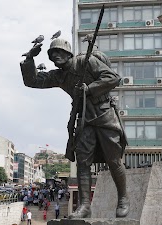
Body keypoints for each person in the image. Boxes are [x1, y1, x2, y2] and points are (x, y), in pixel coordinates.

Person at [20, 38, 129, 218]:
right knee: (83, 162)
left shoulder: (85, 61)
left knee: (113, 160)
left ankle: (123, 199)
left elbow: (112, 78)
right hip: (84, 118)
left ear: (68, 53)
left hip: (104, 114)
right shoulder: (59, 76)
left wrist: (89, 89)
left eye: (59, 52)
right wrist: (30, 59)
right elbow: (32, 81)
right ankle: (85, 205)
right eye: (52, 54)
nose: (55, 56)